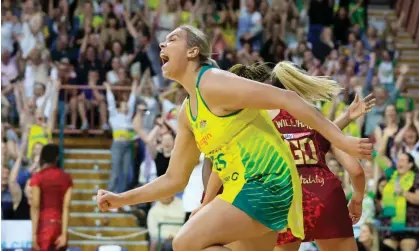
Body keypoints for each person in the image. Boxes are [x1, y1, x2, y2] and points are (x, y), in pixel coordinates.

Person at [97, 25, 372, 251]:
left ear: (193, 51)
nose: (162, 45)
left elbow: (287, 97)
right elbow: (174, 179)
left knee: (185, 243)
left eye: (172, 39)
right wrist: (122, 199)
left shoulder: (213, 81)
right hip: (248, 188)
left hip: (267, 183)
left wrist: (343, 140)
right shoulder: (186, 112)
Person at [196, 64, 373, 251]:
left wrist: (205, 204)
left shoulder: (253, 121)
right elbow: (353, 168)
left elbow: (220, 169)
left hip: (283, 200)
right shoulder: (314, 119)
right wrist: (357, 199)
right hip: (325, 196)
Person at [30, 144, 73, 251]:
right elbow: (66, 207)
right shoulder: (67, 178)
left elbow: (35, 206)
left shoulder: (38, 177)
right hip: (59, 225)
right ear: (57, 158)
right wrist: (64, 234)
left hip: (43, 226)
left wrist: (34, 235)